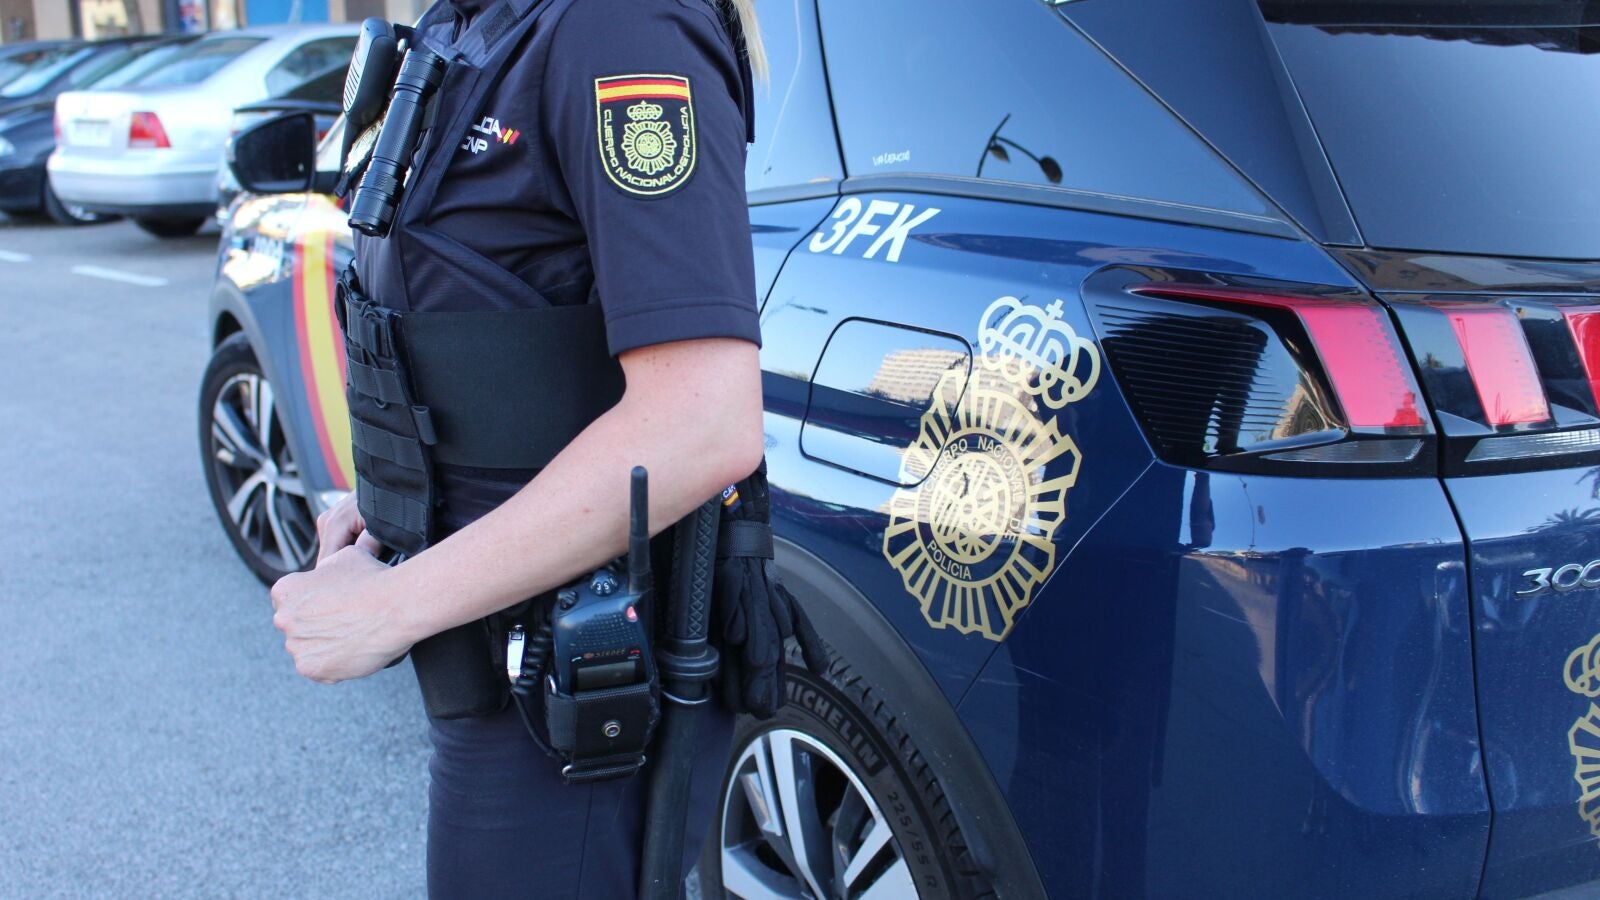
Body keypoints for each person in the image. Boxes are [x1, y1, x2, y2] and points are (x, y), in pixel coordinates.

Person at [267, 0, 772, 896]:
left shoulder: (620, 26)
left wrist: (389, 609)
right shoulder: (473, 21)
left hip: (583, 667)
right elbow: (497, 330)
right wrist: (396, 499)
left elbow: (700, 422)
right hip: (493, 646)